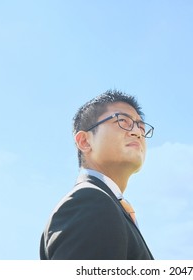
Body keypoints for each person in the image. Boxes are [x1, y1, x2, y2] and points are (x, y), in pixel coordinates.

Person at [39, 89, 154, 260]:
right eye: (123, 121)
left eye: (141, 127)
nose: (137, 132)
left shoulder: (109, 205)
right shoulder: (89, 202)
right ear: (84, 141)